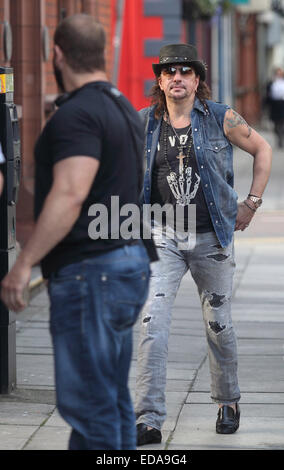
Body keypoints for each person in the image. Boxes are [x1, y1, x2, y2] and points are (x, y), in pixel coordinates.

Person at [0, 14, 152, 450]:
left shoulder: (78, 115)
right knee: (112, 399)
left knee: (91, 406)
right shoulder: (122, 107)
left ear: (57, 53)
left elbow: (70, 194)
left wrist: (23, 265)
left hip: (92, 273)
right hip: (128, 262)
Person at [135, 43, 272, 446]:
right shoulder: (144, 123)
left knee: (218, 324)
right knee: (152, 322)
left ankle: (227, 402)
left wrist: (251, 202)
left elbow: (263, 149)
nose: (177, 77)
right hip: (163, 238)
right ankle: (148, 419)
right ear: (159, 81)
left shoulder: (221, 118)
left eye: (185, 71)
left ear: (197, 80)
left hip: (211, 236)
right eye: (169, 72)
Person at [266, 67, 284, 147]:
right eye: (277, 73)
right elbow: (267, 95)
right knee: (276, 123)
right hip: (275, 106)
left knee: (282, 122)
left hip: (283, 104)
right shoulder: (271, 83)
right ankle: (278, 137)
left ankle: (281, 137)